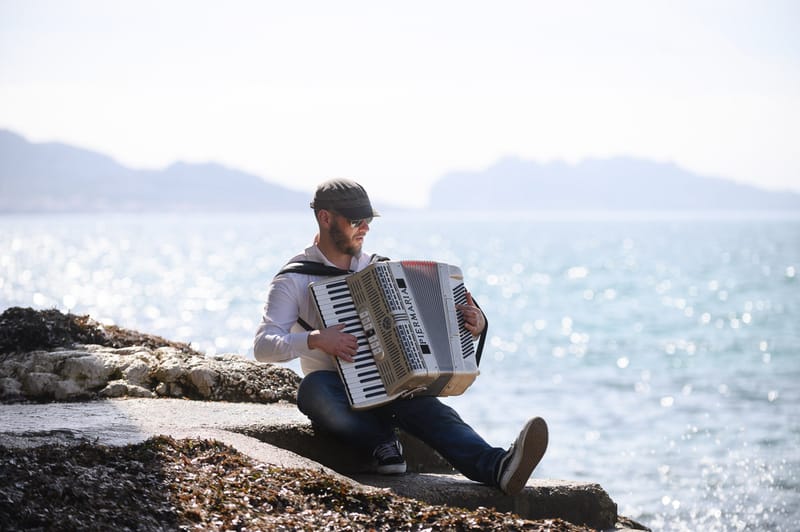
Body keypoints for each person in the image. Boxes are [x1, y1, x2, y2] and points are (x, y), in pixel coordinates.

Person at [253, 178, 548, 495]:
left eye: (367, 220)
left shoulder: (381, 268)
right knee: (313, 390)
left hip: (391, 385)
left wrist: (473, 325)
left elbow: (424, 331)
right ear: (325, 218)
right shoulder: (293, 278)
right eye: (355, 220)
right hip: (336, 389)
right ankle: (382, 443)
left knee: (433, 412)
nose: (364, 227)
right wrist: (314, 339)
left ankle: (499, 467)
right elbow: (263, 346)